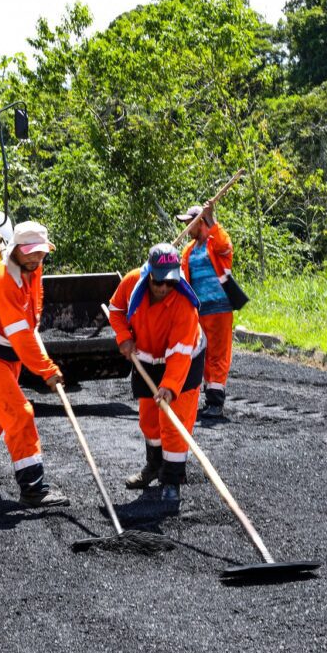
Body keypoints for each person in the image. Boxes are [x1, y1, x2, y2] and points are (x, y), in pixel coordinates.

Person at [0, 221, 69, 507]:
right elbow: (20, 337)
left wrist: (35, 320)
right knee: (20, 413)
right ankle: (33, 487)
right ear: (15, 248)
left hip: (8, 354)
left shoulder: (33, 268)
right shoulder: (2, 279)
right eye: (30, 253)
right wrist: (48, 370)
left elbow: (32, 307)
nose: (35, 259)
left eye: (41, 254)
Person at [108, 243, 206, 502]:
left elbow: (180, 352)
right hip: (147, 360)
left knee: (173, 423)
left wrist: (171, 385)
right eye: (158, 282)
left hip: (184, 361)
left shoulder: (185, 304)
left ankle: (172, 479)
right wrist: (123, 337)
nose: (163, 288)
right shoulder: (131, 283)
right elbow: (116, 309)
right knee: (149, 421)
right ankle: (153, 467)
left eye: (169, 282)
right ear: (149, 274)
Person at [177, 203, 235, 417]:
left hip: (219, 306)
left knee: (218, 354)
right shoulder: (188, 250)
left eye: (188, 223)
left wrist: (212, 220)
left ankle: (215, 402)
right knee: (202, 353)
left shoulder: (215, 242)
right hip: (199, 309)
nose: (185, 228)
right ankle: (209, 397)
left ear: (199, 222)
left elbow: (225, 246)